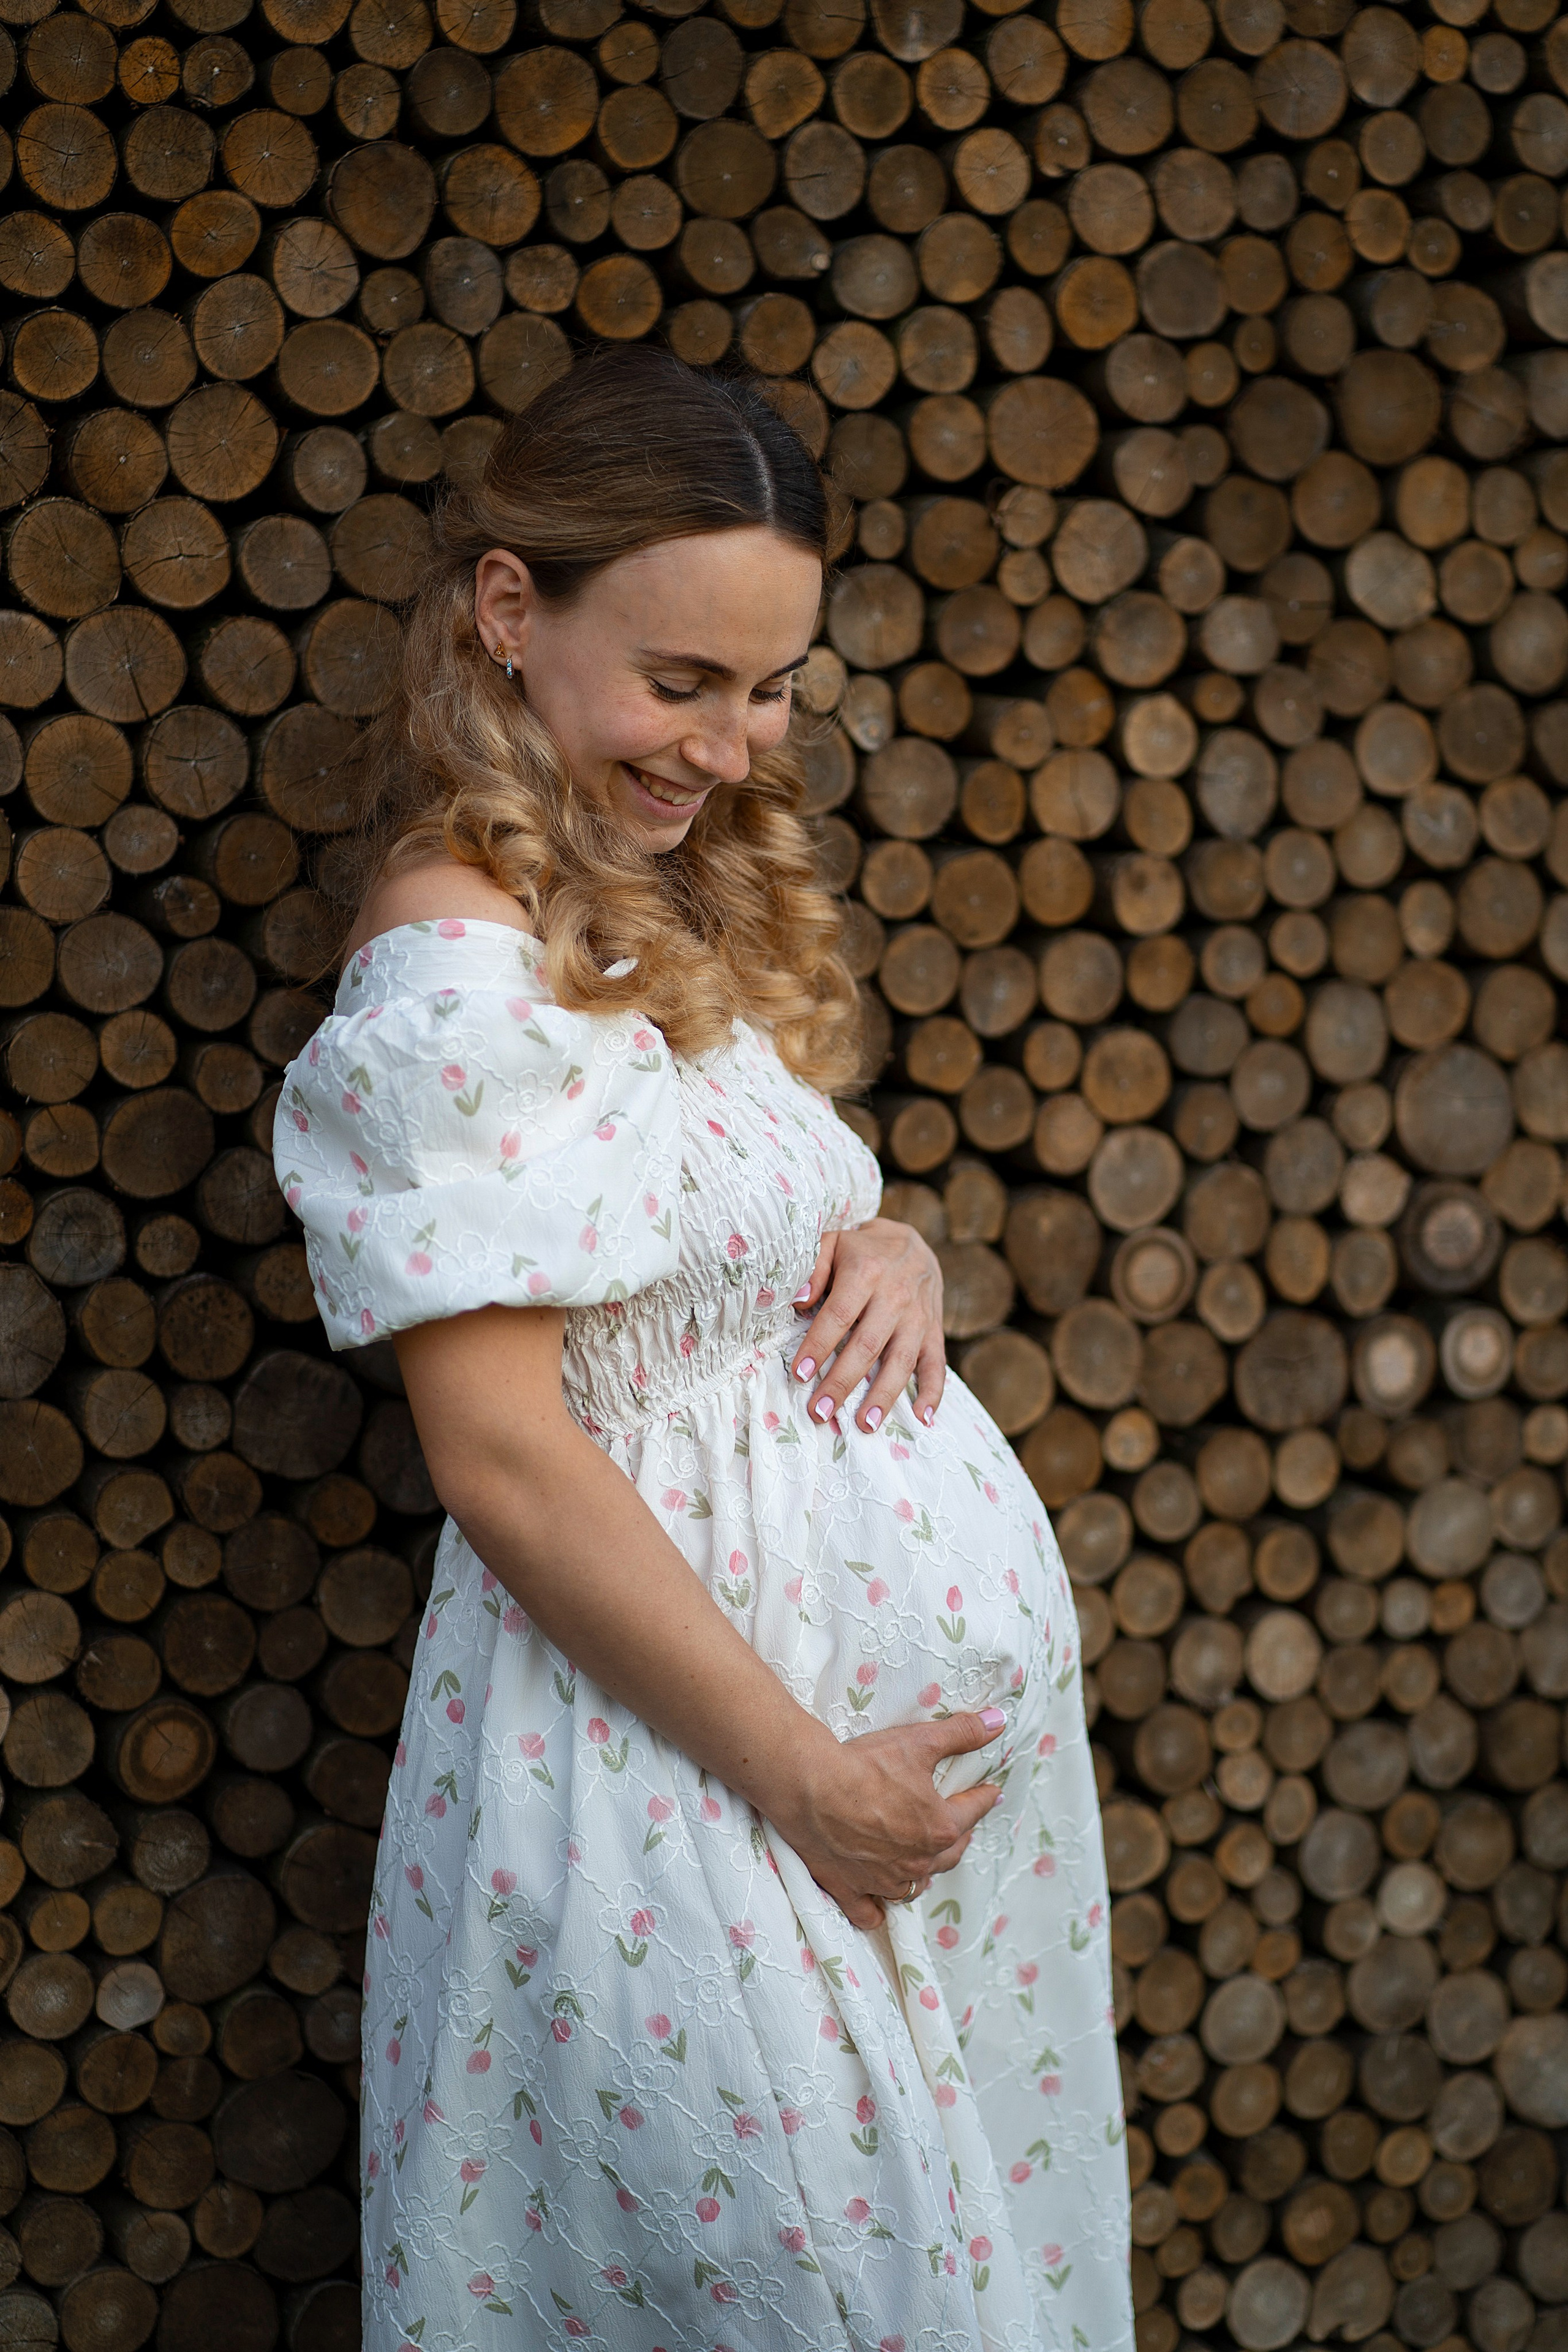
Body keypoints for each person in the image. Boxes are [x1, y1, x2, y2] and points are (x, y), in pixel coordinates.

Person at [274, 345, 1131, 2352]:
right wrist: (815, 1785)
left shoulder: (637, 893)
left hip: (848, 1807)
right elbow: (500, 1454)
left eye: (771, 689)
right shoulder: (451, 963)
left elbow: (727, 1240)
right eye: (683, 683)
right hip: (680, 1783)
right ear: (511, 611)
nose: (733, 747)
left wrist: (891, 1241)